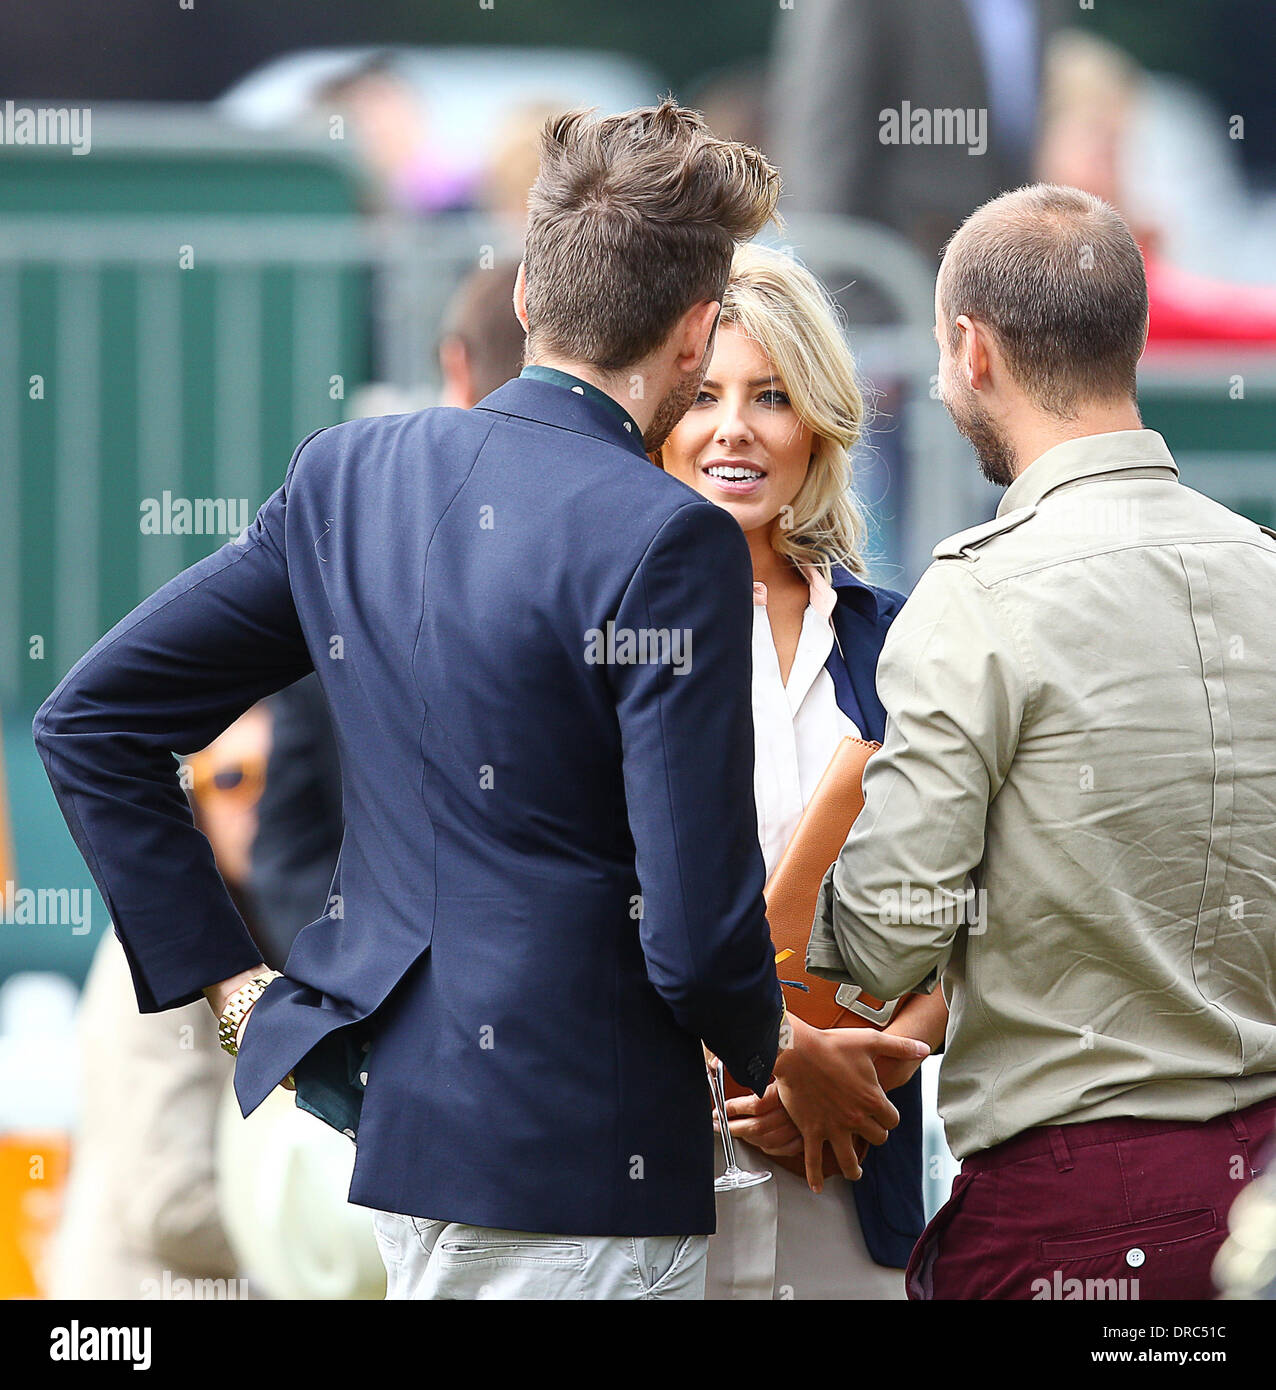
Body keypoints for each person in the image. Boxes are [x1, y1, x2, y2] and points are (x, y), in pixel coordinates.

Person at [32, 99, 877, 1302]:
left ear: (529, 292)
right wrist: (786, 1056)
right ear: (695, 340)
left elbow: (91, 721)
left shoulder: (347, 474)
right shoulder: (668, 537)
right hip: (585, 1165)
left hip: (404, 1148)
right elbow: (694, 933)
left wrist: (234, 991)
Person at [807, 182, 1276, 1299]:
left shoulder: (974, 596)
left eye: (935, 351)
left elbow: (891, 930)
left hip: (1070, 1203)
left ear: (972, 349)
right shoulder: (1263, 568)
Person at [656, 243, 946, 1299]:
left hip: (850, 1174)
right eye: (703, 395)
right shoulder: (605, 636)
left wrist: (865, 1068)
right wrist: (776, 1053)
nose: (733, 427)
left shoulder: (900, 642)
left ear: (816, 420)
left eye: (770, 395)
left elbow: (961, 918)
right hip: (659, 1179)